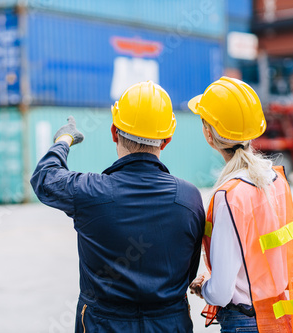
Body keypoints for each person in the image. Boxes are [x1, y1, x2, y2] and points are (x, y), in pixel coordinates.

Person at [31, 81, 205, 332]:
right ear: (166, 140)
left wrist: (64, 139)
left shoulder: (89, 191)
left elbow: (45, 178)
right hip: (170, 324)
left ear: (114, 132)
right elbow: (189, 269)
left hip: (103, 324)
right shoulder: (189, 198)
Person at [188, 77, 293, 332]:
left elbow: (221, 293)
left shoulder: (228, 195)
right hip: (278, 320)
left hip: (244, 323)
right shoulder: (277, 180)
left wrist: (204, 288)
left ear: (208, 134)